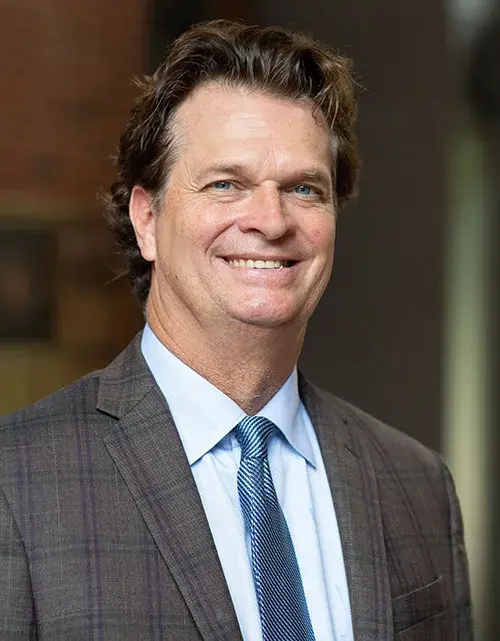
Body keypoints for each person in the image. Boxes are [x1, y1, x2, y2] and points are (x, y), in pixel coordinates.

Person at [0, 19, 472, 641]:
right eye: (226, 184)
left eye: (303, 189)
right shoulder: (17, 481)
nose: (270, 221)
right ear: (147, 220)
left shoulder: (417, 486)